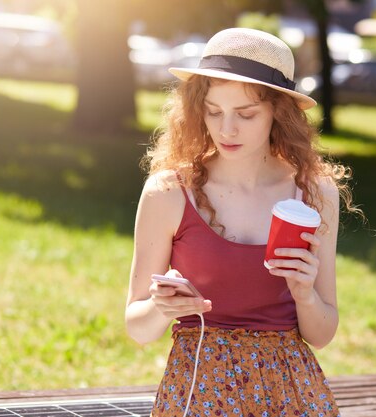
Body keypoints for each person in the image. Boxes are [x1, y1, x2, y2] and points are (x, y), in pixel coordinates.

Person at [126, 27, 359, 416]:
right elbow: (137, 327)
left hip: (291, 393)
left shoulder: (314, 193)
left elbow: (322, 334)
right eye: (213, 111)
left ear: (278, 113)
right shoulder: (168, 191)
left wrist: (304, 294)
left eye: (246, 114)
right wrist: (162, 307)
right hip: (198, 389)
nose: (226, 129)